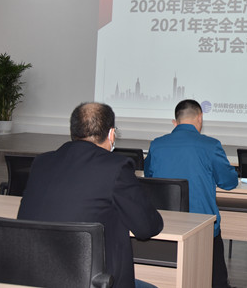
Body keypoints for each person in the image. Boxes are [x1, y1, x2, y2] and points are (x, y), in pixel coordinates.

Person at [18, 102, 164, 288]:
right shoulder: (116, 167)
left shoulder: (41, 162)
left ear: (73, 131)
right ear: (111, 134)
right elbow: (146, 227)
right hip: (91, 280)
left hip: (35, 277)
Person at [145, 99, 239, 288]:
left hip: (167, 226)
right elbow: (229, 182)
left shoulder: (157, 145)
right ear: (200, 118)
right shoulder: (211, 145)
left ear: (175, 122)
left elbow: (149, 176)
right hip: (203, 227)